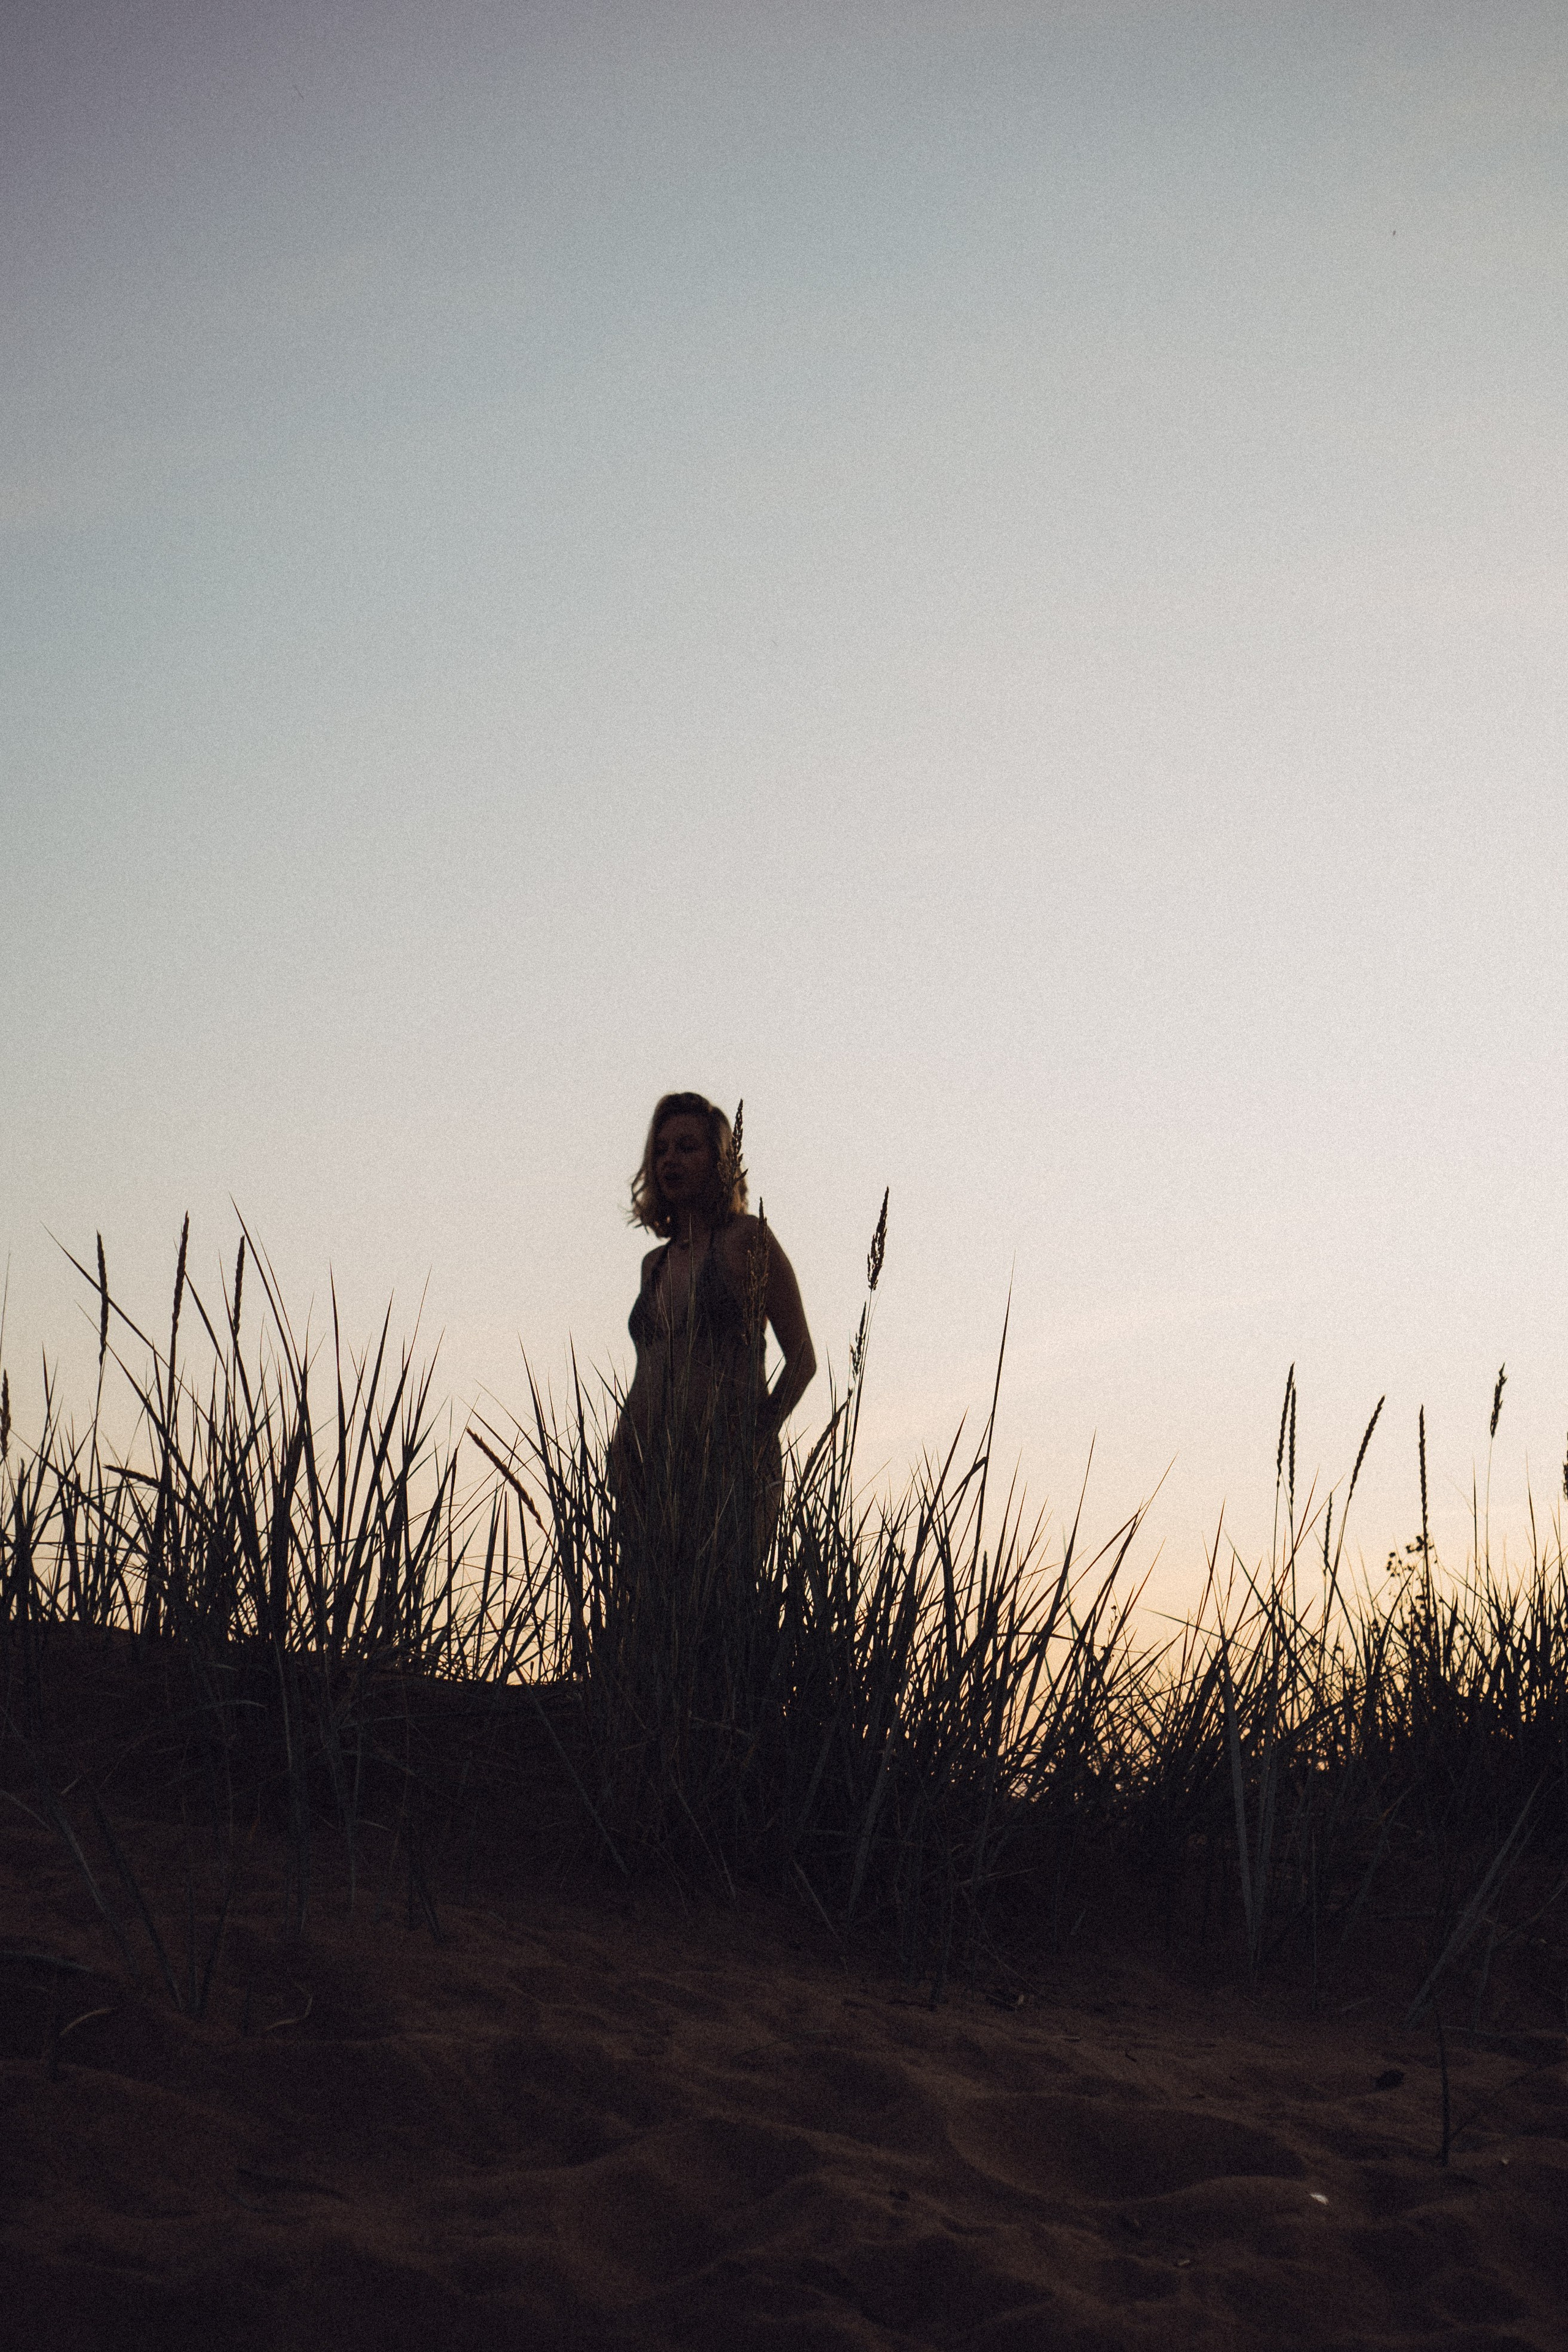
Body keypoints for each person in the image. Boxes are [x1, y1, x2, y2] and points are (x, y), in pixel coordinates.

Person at [611, 1093, 816, 1569]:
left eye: (687, 1147)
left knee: (722, 1605)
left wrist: (754, 1439)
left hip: (727, 1476)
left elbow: (802, 1359)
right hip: (646, 1472)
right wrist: (624, 1455)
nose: (670, 1160)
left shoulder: (747, 1238)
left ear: (720, 1159)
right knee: (647, 1612)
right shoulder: (654, 1264)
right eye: (661, 1150)